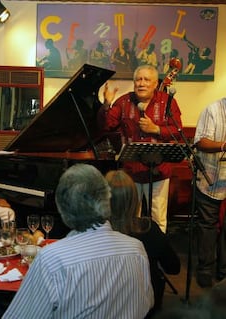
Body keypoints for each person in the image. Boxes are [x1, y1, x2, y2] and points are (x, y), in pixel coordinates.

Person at [3, 164, 154, 319]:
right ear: (106, 201)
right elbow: (146, 303)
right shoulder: (137, 249)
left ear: (62, 208)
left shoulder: (52, 259)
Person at [99, 64, 183, 233]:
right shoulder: (123, 102)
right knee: (129, 217)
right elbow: (106, 125)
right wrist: (106, 105)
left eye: (146, 80)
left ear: (154, 84)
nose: (141, 83)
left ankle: (156, 253)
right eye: (138, 79)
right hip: (131, 172)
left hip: (158, 171)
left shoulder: (167, 102)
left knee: (158, 218)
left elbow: (178, 131)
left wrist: (156, 129)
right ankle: (131, 252)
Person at [105, 169, 181, 317]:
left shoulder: (94, 231)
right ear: (134, 199)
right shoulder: (149, 229)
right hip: (143, 308)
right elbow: (173, 267)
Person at [193, 97, 226, 288]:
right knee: (207, 226)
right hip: (211, 177)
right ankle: (205, 269)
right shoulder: (212, 109)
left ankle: (223, 271)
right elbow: (200, 141)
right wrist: (223, 145)